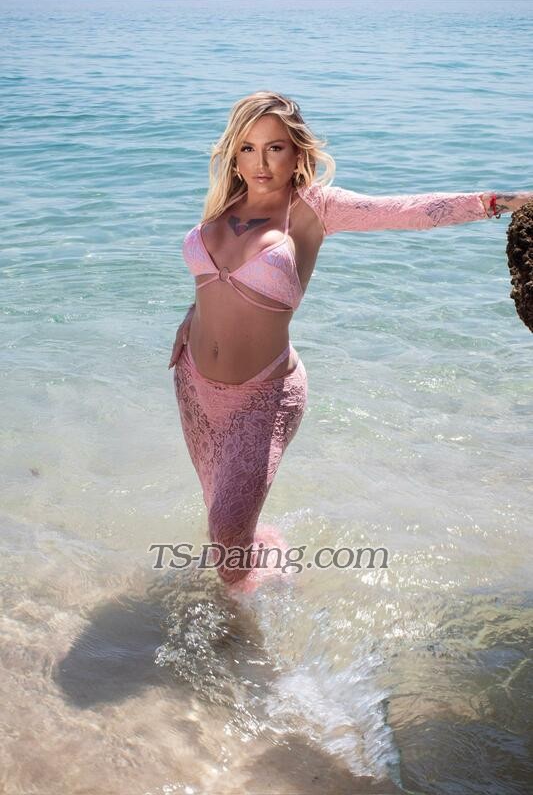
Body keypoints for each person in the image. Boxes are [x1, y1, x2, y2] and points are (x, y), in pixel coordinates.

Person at [168, 90, 531, 589]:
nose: (260, 162)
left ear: (297, 151)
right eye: (248, 148)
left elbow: (410, 210)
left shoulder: (315, 209)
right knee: (218, 514)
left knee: (227, 532)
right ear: (234, 154)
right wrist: (190, 317)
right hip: (193, 382)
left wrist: (506, 202)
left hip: (262, 395)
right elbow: (213, 282)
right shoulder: (224, 205)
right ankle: (249, 574)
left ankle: (251, 616)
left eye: (275, 147)